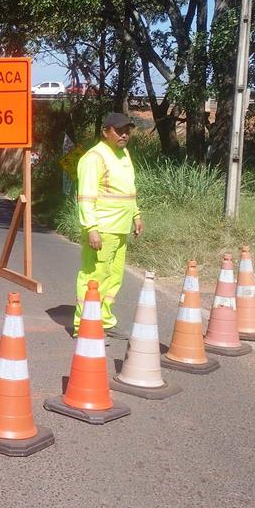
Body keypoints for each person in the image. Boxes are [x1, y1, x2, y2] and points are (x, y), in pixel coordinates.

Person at [73, 112, 144, 340]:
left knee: (113, 278)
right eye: (119, 130)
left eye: (127, 131)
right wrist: (91, 228)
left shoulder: (123, 154)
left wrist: (136, 215)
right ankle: (84, 326)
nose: (124, 135)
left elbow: (127, 190)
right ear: (106, 132)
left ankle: (103, 320)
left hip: (120, 228)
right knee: (94, 277)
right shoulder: (94, 158)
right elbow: (85, 196)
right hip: (102, 229)